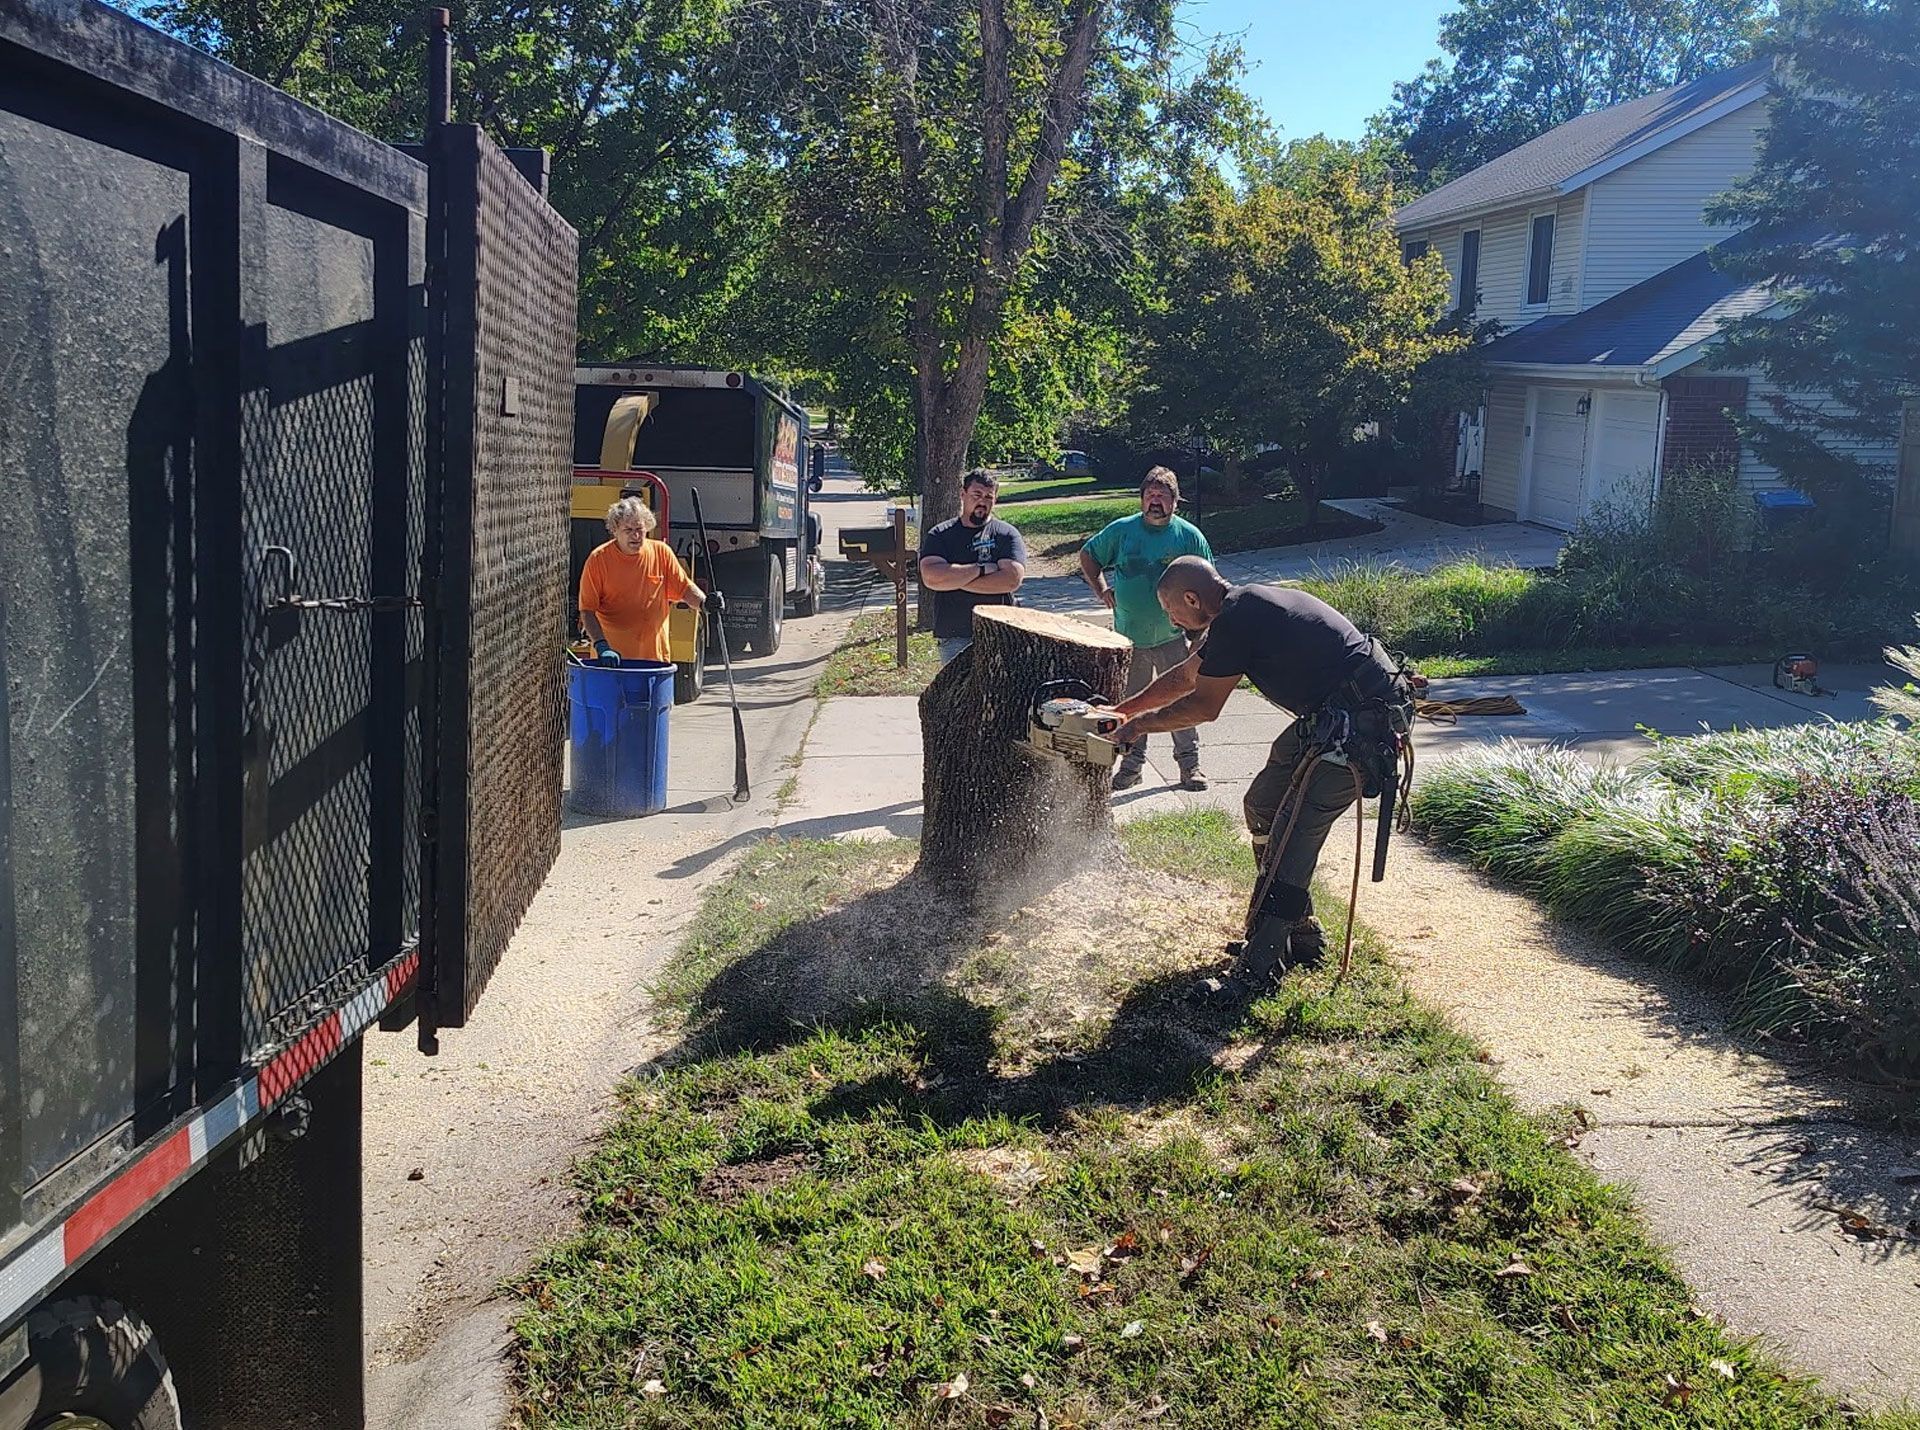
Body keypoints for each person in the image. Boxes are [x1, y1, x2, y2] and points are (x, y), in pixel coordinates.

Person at [1107, 556, 1410, 990]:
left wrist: (1138, 727)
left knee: (1291, 840)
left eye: (1173, 611)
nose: (1174, 622)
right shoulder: (1243, 608)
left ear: (1192, 599)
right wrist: (1123, 711)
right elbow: (1189, 676)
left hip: (1361, 727)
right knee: (1263, 804)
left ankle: (1256, 970)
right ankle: (1298, 933)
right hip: (1332, 717)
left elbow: (1204, 707)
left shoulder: (1238, 616)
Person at [1078, 466, 1214, 792]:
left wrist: (1201, 635)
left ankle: (1190, 766)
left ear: (1174, 501)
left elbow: (1209, 584)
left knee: (1180, 702)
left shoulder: (1189, 537)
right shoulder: (1122, 531)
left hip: (1172, 637)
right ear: (1141, 499)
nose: (1155, 501)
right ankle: (1131, 766)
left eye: (1162, 496)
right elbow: (1089, 555)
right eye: (1149, 495)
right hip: (1129, 637)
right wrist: (1101, 589)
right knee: (1131, 703)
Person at [578, 495, 708, 664]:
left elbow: (684, 589)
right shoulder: (598, 559)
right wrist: (601, 646)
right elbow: (587, 610)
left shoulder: (661, 553)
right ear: (615, 530)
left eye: (640, 529)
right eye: (629, 530)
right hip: (612, 662)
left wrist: (706, 603)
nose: (636, 535)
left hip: (654, 660)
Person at [917, 468, 1028, 665]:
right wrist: (981, 569)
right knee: (956, 694)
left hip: (1001, 633)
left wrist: (955, 579)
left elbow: (1012, 579)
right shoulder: (941, 534)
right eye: (976, 494)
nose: (982, 501)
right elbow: (931, 577)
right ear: (962, 494)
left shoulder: (1006, 534)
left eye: (989, 496)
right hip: (955, 636)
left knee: (1000, 695)